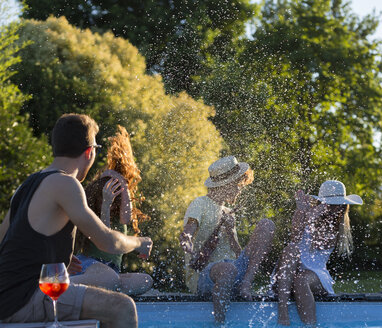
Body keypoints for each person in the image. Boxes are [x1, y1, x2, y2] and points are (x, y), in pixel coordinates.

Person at [0, 114, 152, 327]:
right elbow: (108, 242)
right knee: (122, 308)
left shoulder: (26, 185)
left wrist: (51, 259)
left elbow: (5, 242)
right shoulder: (66, 184)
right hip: (26, 298)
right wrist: (139, 242)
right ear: (89, 152)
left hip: (8, 297)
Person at [179, 156, 276, 323]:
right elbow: (188, 230)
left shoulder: (228, 211)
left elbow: (237, 254)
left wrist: (231, 235)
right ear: (227, 184)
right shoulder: (199, 203)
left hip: (233, 270)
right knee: (228, 270)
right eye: (239, 185)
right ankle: (220, 323)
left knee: (266, 224)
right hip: (205, 274)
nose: (240, 190)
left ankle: (245, 283)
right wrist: (187, 240)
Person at [71, 125, 153, 296]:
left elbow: (126, 216)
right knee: (108, 278)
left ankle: (107, 286)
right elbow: (105, 237)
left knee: (145, 280)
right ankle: (58, 285)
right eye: (109, 198)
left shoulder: (120, 220)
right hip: (90, 265)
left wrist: (122, 183)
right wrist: (106, 204)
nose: (117, 201)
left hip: (111, 271)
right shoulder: (92, 217)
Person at [275, 180, 362, 326]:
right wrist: (302, 212)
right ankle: (282, 312)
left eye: (339, 204)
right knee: (290, 250)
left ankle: (311, 325)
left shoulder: (336, 226)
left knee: (301, 279)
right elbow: (294, 240)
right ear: (323, 203)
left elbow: (320, 243)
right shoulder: (304, 214)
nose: (336, 208)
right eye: (332, 204)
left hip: (315, 274)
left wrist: (310, 216)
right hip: (289, 271)